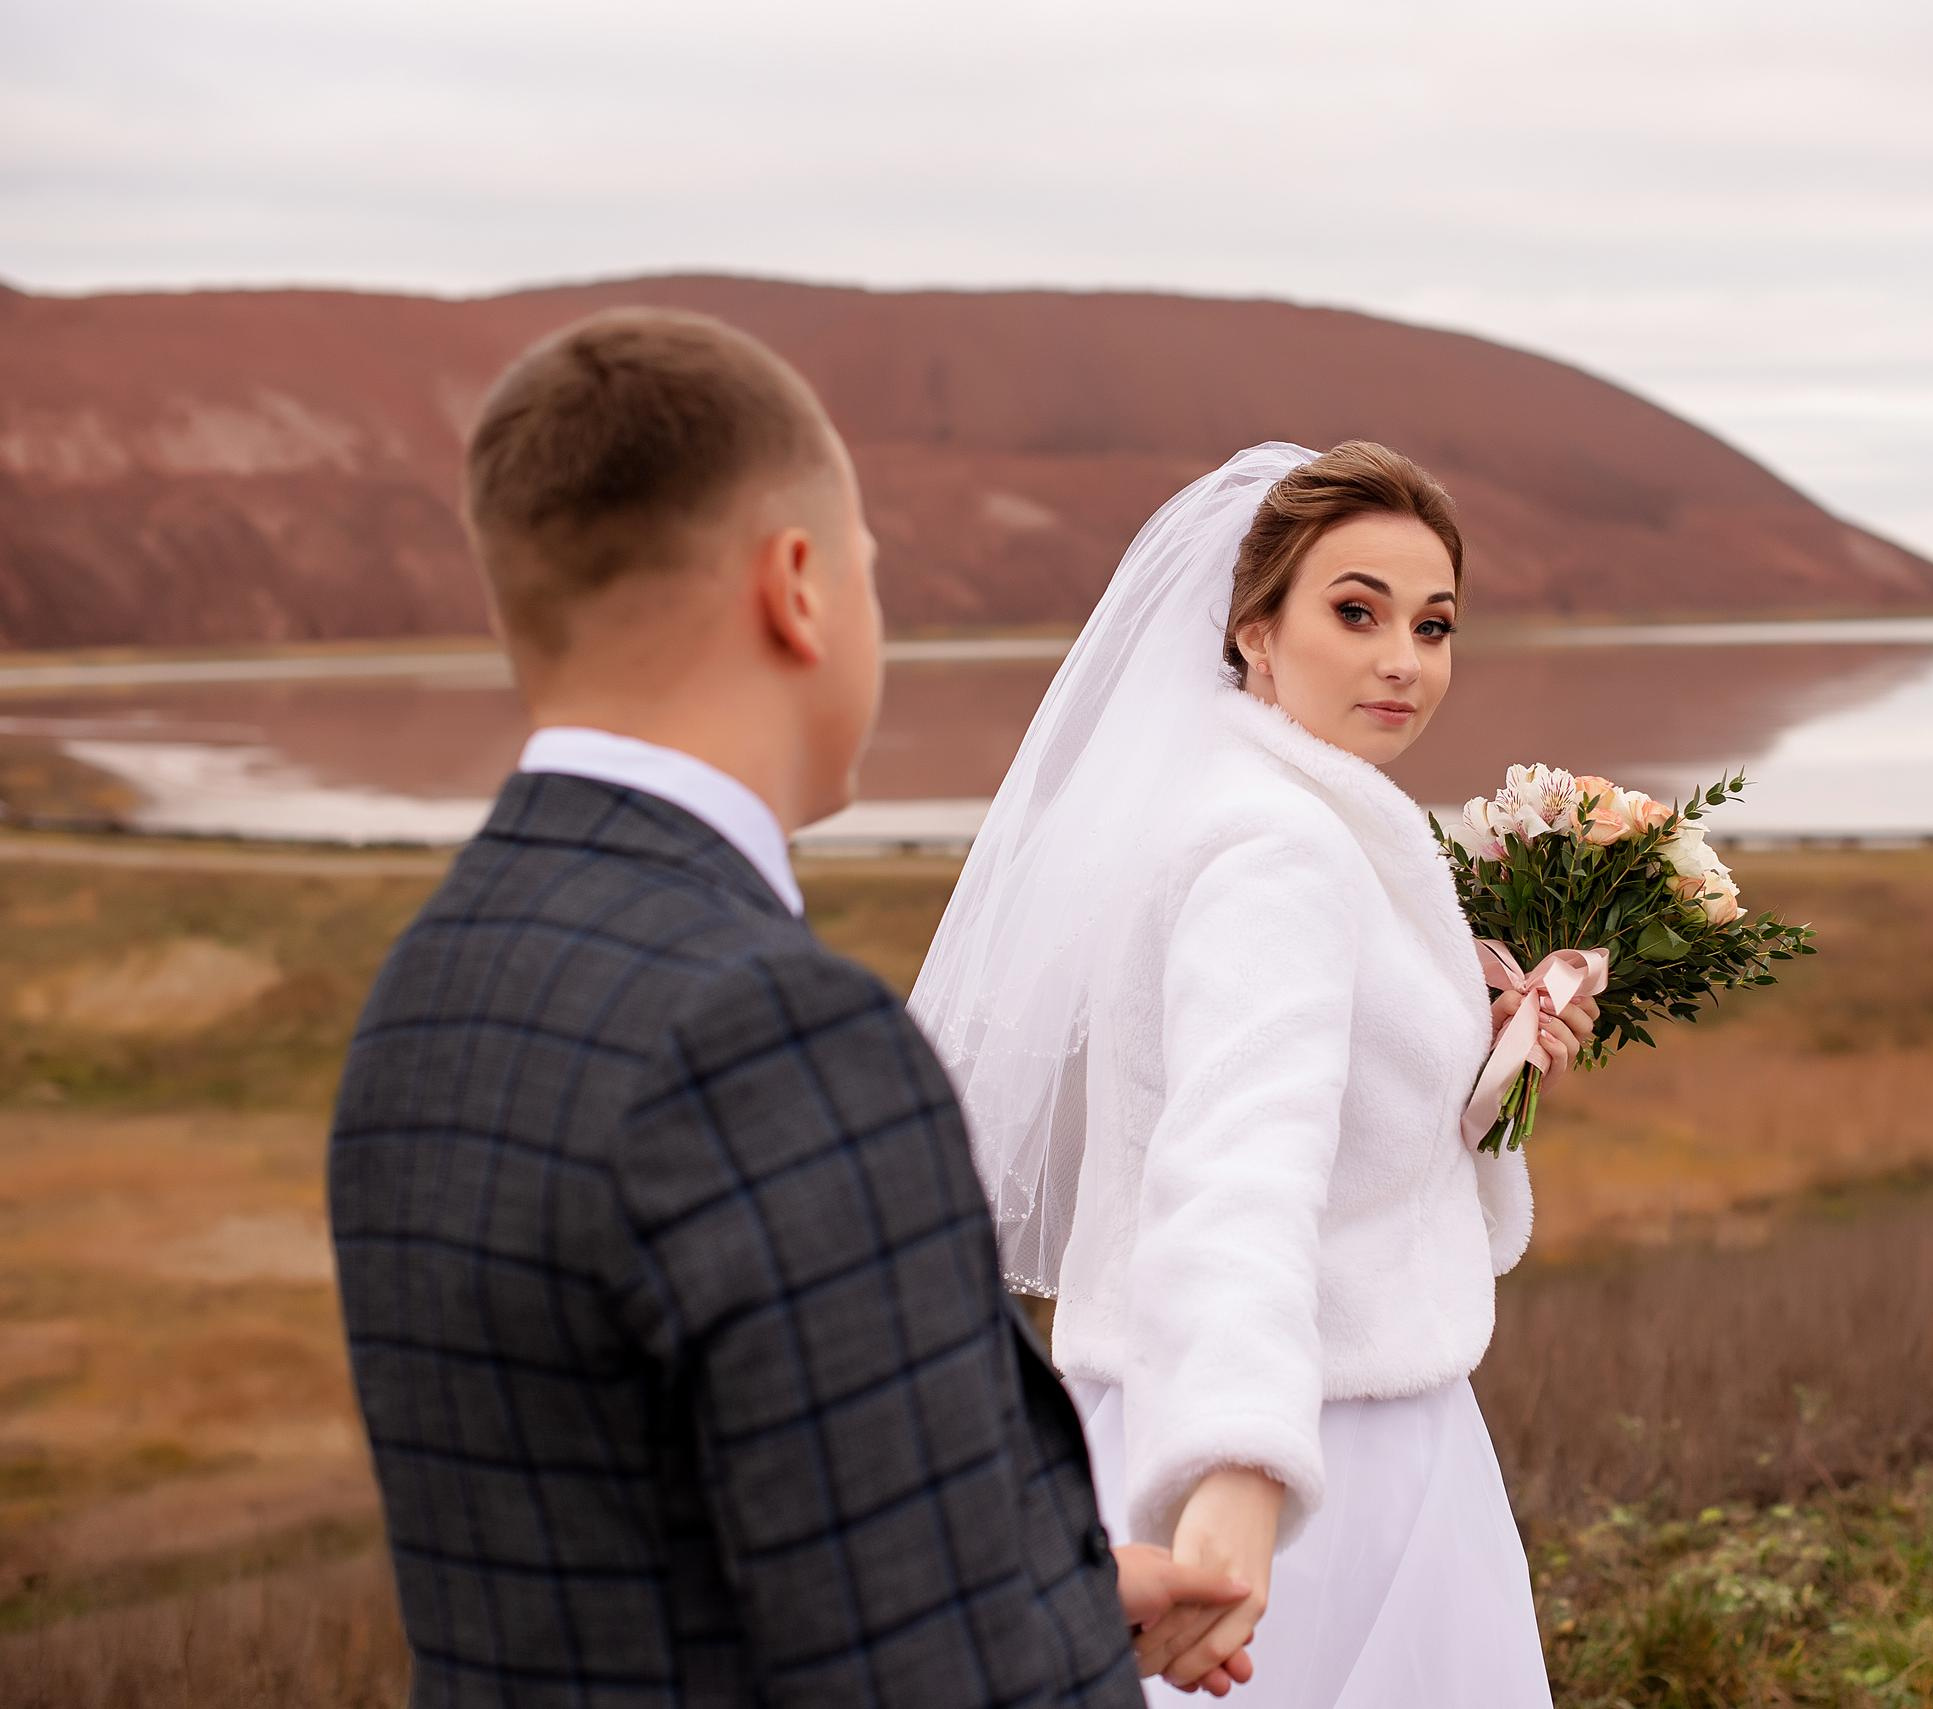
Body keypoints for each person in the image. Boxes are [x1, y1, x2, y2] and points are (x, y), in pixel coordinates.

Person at [327, 307, 1252, 1706]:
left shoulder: (427, 985)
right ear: (799, 586)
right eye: (871, 574)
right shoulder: (770, 1033)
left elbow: (619, 1535)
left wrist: (1051, 1590)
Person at [909, 441, 1597, 1705]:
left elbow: (1340, 1135)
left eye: (1433, 623)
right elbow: (1236, 1162)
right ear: (1255, 637)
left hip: (1295, 1412)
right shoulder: (1274, 853)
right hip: (1305, 1453)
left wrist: (1488, 1063)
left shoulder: (1278, 819)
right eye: (1355, 610)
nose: (1404, 657)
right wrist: (1234, 1474)